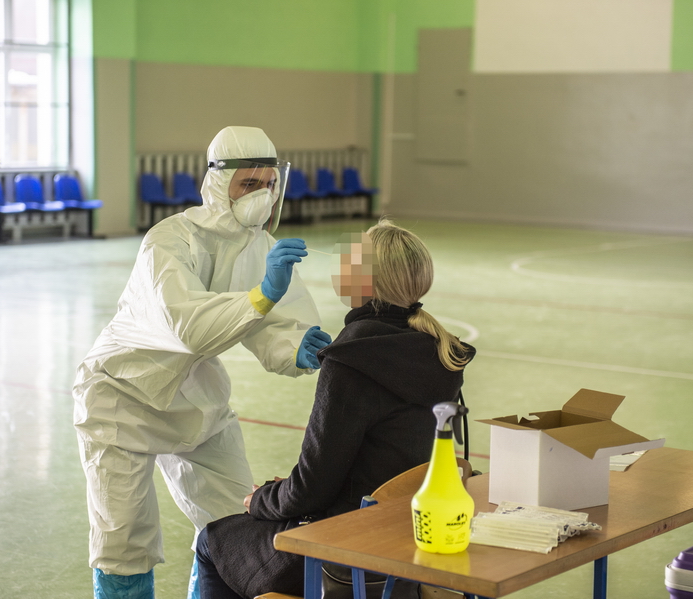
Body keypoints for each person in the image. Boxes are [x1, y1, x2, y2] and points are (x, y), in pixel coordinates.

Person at [73, 126, 333, 599]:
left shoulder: (259, 246)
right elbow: (188, 328)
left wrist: (295, 347)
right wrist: (263, 295)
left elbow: (272, 324)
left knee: (234, 523)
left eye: (269, 184)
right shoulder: (168, 241)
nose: (262, 195)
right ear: (218, 183)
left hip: (195, 398)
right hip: (121, 396)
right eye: (248, 184)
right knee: (124, 540)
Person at [195, 218, 476, 599]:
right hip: (403, 529)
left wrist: (263, 499)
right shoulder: (437, 349)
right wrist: (287, 491)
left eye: (349, 260)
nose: (339, 264)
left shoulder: (353, 358)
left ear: (365, 282)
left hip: (345, 545)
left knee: (213, 540)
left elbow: (312, 488)